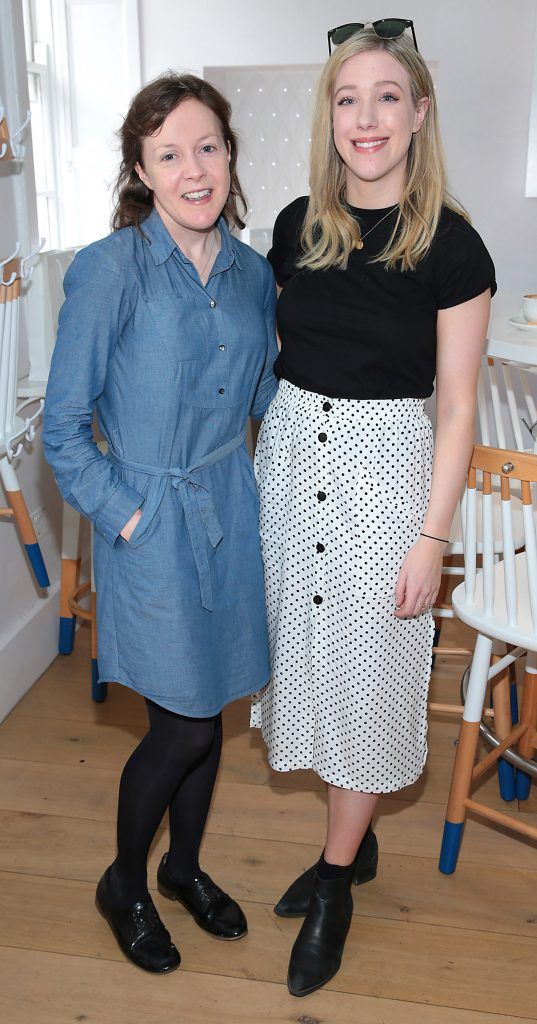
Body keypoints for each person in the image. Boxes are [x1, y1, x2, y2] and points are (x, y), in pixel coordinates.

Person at [251, 23, 496, 997]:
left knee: (371, 672)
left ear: (419, 114)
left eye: (387, 96)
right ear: (331, 115)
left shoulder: (453, 245)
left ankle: (337, 879)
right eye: (349, 98)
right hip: (289, 458)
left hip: (386, 471)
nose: (367, 118)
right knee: (309, 664)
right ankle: (347, 845)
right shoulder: (294, 225)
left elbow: (460, 403)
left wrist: (431, 536)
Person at [44, 73, 278, 974]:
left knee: (211, 709)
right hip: (150, 522)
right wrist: (127, 516)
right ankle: (125, 883)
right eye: (170, 153)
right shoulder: (111, 270)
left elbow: (264, 397)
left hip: (231, 510)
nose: (194, 169)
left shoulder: (255, 275)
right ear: (141, 169)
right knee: (178, 725)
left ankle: (183, 868)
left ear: (229, 154)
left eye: (208, 147)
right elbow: (62, 428)